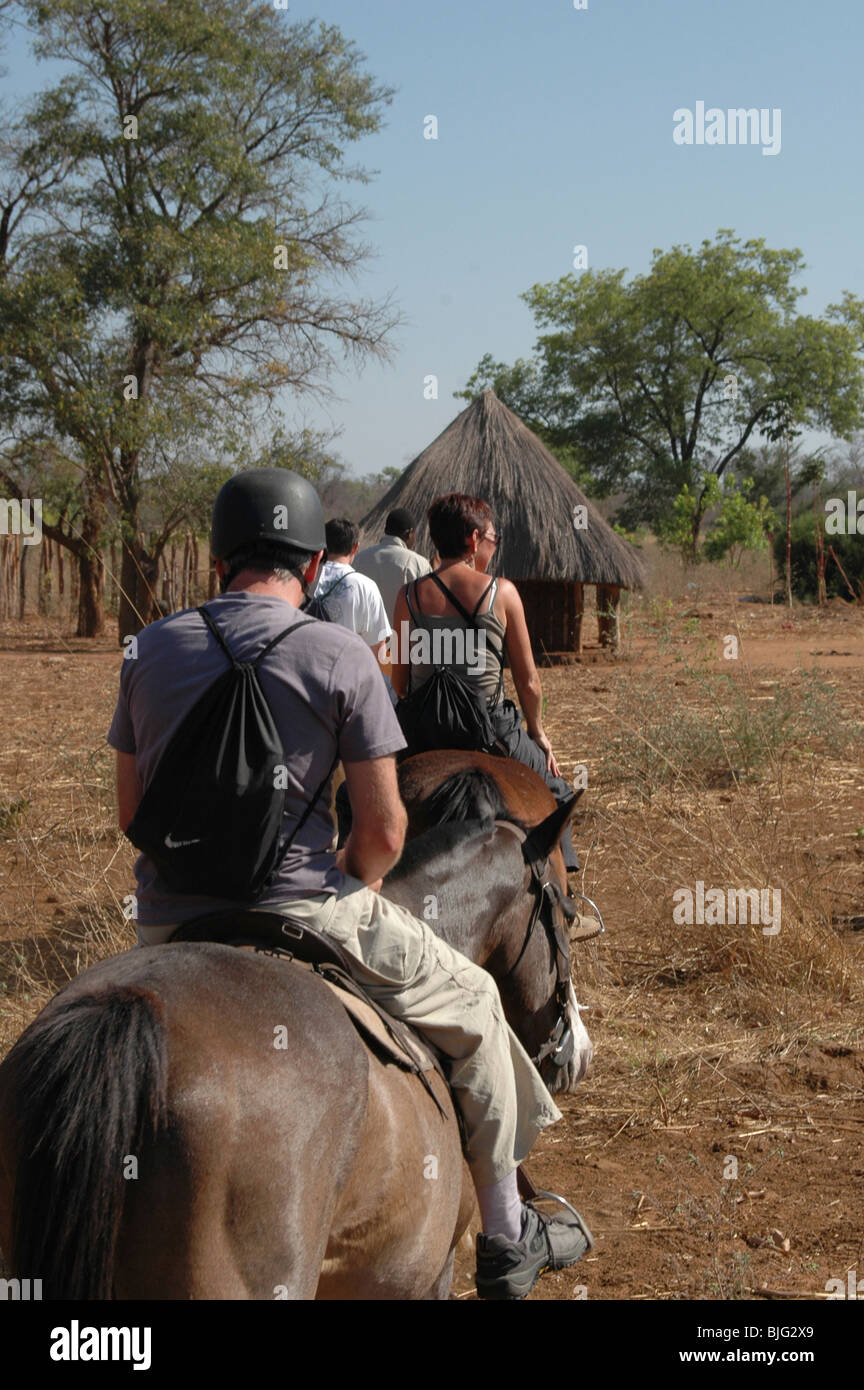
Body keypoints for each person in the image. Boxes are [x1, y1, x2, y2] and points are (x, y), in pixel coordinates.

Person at [107, 467, 592, 1301]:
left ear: (219, 559)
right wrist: (355, 887)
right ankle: (509, 1238)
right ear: (311, 562)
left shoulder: (148, 648)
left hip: (164, 925)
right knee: (474, 1006)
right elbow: (384, 834)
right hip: (304, 908)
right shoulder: (335, 651)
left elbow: (129, 812)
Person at [391, 493, 581, 872]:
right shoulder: (502, 593)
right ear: (474, 540)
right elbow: (528, 682)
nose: (493, 547)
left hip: (423, 731)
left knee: (353, 797)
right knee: (558, 793)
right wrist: (537, 732)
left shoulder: (408, 596)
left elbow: (399, 682)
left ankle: (356, 888)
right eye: (492, 539)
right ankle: (566, 895)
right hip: (491, 729)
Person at [313, 517, 390, 663]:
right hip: (345, 677)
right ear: (355, 547)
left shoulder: (306, 578)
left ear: (323, 544)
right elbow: (378, 649)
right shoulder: (366, 586)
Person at [353, 508, 432, 624]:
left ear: (385, 530)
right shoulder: (419, 563)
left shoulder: (360, 558)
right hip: (402, 639)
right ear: (409, 533)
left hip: (363, 638)